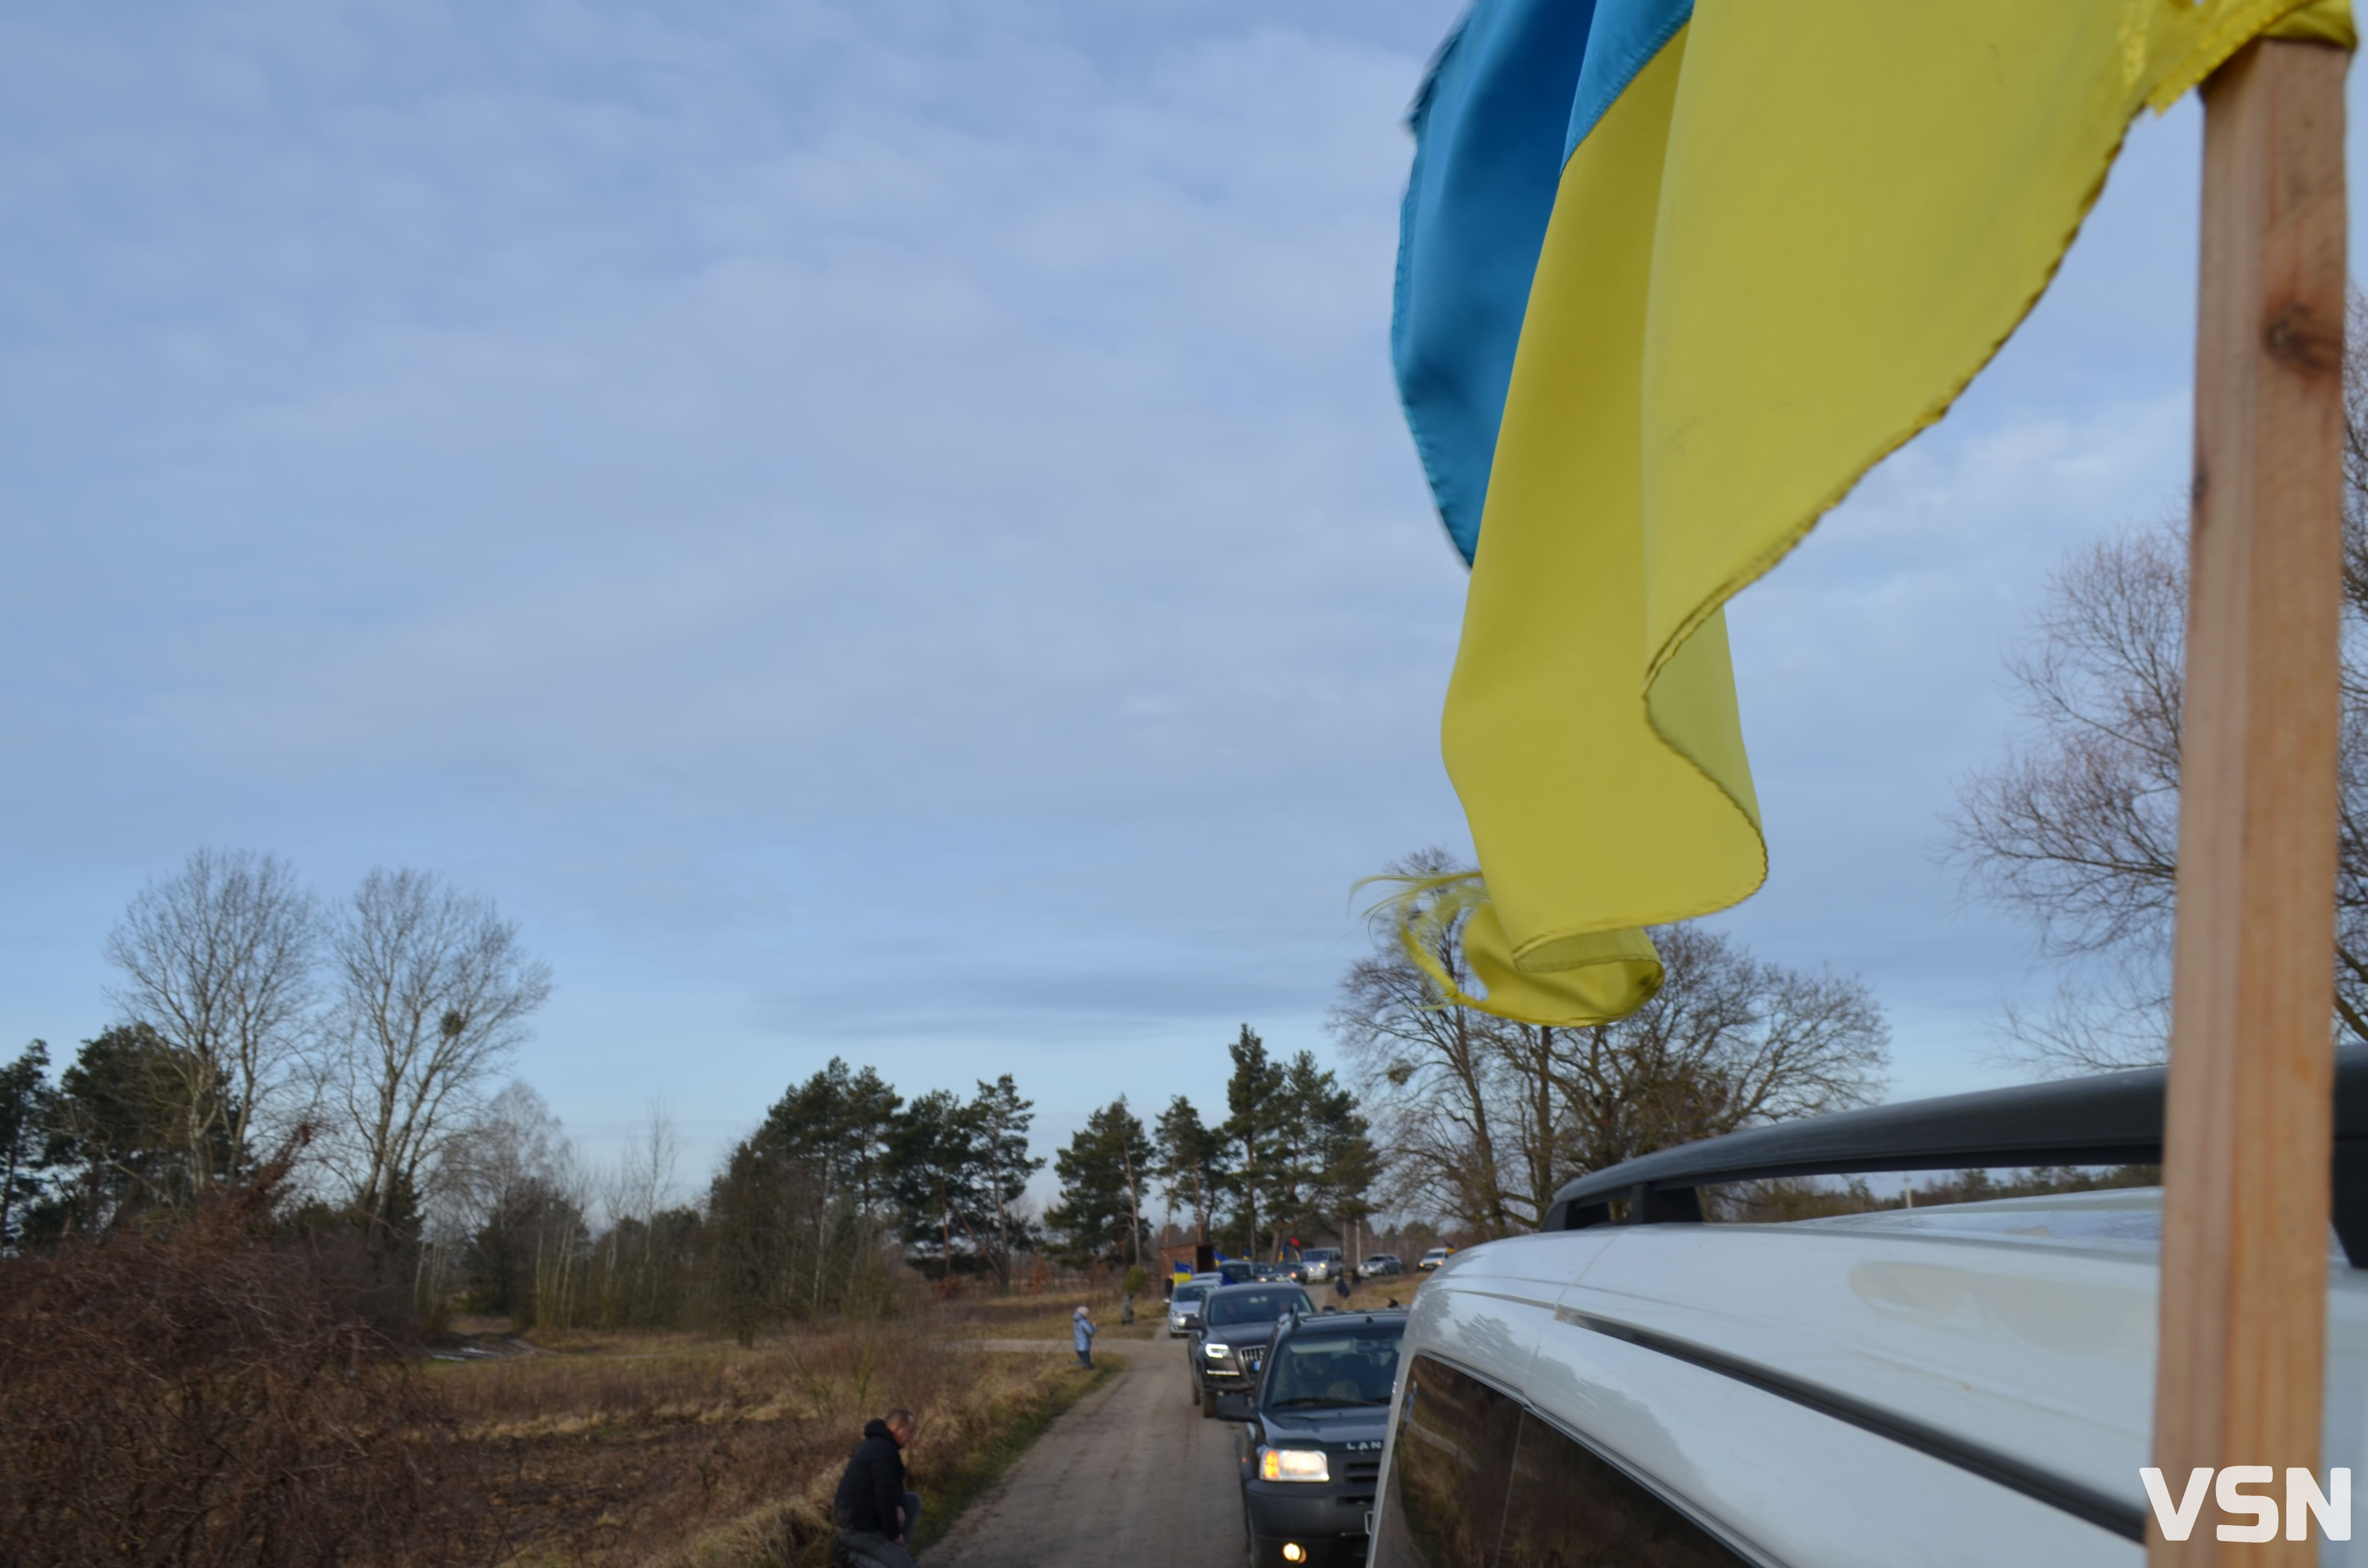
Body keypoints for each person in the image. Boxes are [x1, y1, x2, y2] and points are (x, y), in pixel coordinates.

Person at [833, 1408, 921, 1568]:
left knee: (912, 1501)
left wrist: (900, 1506)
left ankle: (898, 1553)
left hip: (867, 1518)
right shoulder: (884, 1452)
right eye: (909, 1432)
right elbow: (885, 1498)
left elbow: (895, 1484)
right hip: (857, 1529)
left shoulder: (881, 1445)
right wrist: (894, 1535)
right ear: (897, 1429)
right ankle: (849, 1557)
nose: (912, 1437)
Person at [1072, 1303, 1097, 1368]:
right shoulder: (1083, 1322)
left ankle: (1074, 1365)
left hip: (1078, 1346)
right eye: (1087, 1313)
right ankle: (1072, 1364)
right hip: (1085, 1346)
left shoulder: (1076, 1321)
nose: (1088, 1315)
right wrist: (1094, 1327)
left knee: (1084, 1362)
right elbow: (1091, 1332)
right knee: (1087, 1365)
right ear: (1084, 1313)